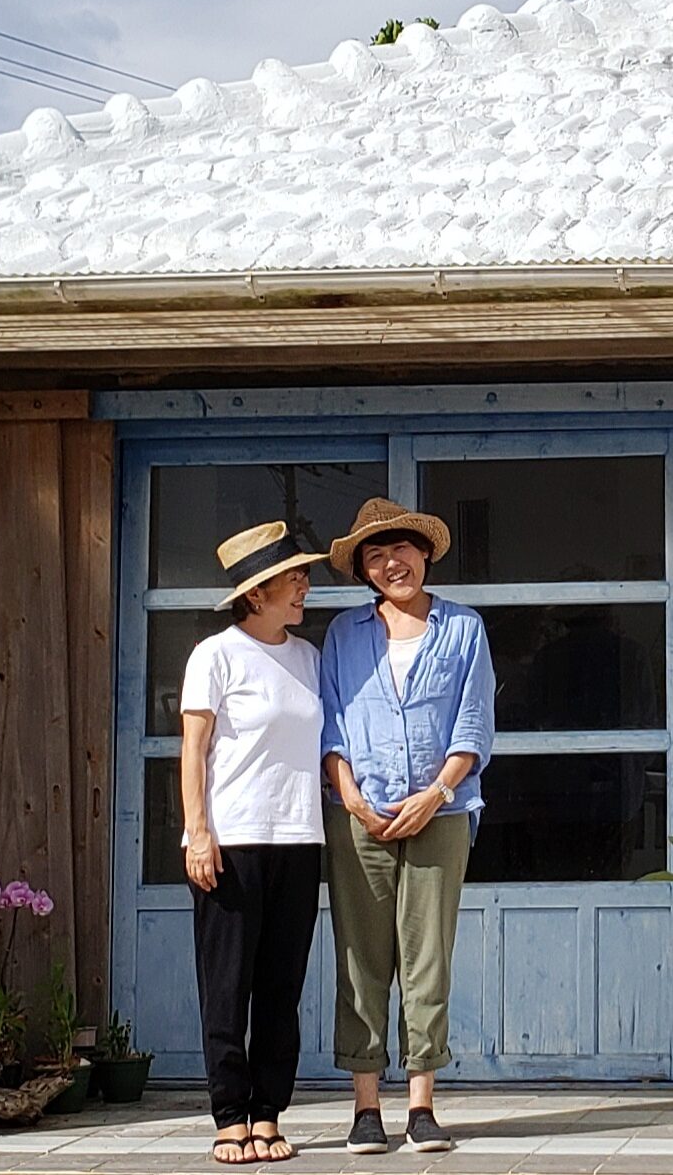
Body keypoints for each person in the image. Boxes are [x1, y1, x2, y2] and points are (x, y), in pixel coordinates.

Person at [320, 498, 495, 1156]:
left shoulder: (462, 628)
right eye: (374, 553)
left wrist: (439, 790)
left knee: (426, 959)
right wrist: (353, 799)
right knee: (360, 958)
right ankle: (365, 1107)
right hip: (357, 816)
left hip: (440, 813)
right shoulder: (344, 634)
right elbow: (330, 723)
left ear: (424, 554)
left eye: (401, 548)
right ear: (363, 569)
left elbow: (474, 720)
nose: (390, 561)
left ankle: (421, 1104)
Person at [180, 522, 328, 1164]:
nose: (304, 586)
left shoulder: (309, 657)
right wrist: (198, 834)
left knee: (280, 987)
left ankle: (268, 1113)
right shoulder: (215, 655)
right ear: (258, 591)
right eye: (294, 577)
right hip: (232, 840)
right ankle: (228, 1116)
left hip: (299, 838)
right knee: (226, 985)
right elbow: (193, 752)